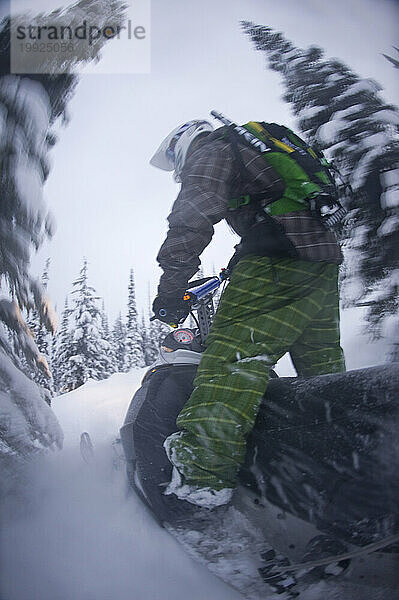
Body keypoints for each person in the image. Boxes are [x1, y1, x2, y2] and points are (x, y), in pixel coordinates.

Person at [150, 117, 345, 508]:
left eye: (176, 166)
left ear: (183, 146)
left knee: (231, 365)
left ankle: (200, 481)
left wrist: (171, 288)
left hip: (277, 263)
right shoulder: (255, 151)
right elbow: (275, 209)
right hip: (321, 263)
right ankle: (343, 465)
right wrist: (241, 259)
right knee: (323, 371)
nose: (179, 174)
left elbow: (192, 218)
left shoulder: (212, 149)